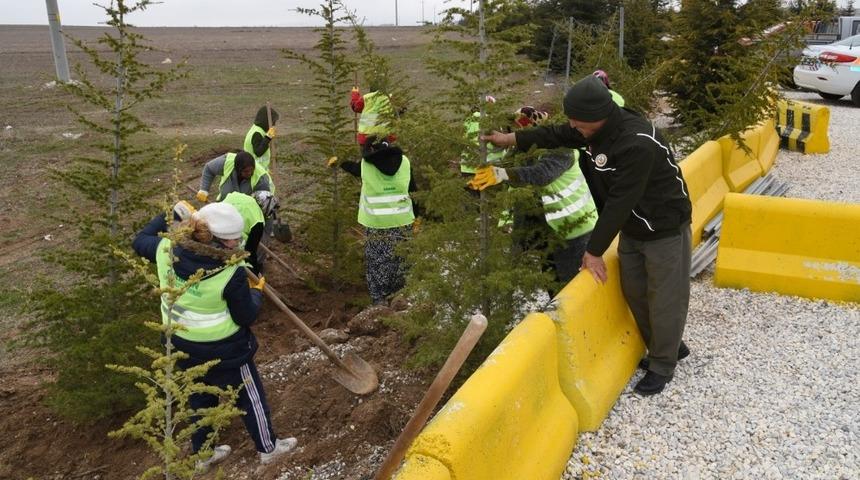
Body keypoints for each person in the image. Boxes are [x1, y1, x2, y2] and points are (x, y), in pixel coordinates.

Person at [482, 75, 692, 396]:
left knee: (664, 297)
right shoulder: (591, 130)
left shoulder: (637, 143)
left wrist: (593, 251)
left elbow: (621, 202)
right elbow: (554, 134)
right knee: (635, 292)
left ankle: (663, 364)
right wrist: (509, 139)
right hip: (634, 228)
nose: (572, 126)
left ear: (598, 116)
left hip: (663, 227)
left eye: (577, 121)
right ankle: (669, 344)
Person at [132, 202, 297, 471]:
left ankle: (204, 455)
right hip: (226, 350)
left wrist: (172, 213)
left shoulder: (166, 249)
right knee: (249, 396)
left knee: (199, 397)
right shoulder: (230, 272)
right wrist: (256, 291)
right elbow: (245, 316)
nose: (238, 243)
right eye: (234, 239)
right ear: (219, 240)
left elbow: (139, 240)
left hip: (181, 346)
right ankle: (269, 449)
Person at [469, 106, 596, 284]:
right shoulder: (524, 151)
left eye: (524, 129)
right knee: (552, 281)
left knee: (572, 283)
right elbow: (513, 171)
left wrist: (502, 174)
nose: (519, 133)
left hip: (576, 229)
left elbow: (541, 174)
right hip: (548, 232)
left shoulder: (562, 149)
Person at [329, 138, 416, 305]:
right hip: (403, 221)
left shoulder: (366, 165)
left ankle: (379, 301)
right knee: (401, 259)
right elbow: (413, 190)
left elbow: (353, 168)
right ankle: (400, 298)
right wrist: (416, 217)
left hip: (376, 224)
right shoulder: (405, 162)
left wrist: (340, 162)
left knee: (377, 262)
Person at [221, 191, 278, 275]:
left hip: (214, 226)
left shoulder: (235, 195)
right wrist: (255, 272)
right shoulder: (258, 220)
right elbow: (249, 253)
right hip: (230, 240)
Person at [197, 151, 273, 203]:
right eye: (246, 171)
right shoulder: (227, 163)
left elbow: (265, 205)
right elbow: (209, 169)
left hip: (245, 211)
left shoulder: (261, 179)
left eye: (251, 170)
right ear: (238, 169)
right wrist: (204, 190)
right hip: (224, 205)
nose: (249, 173)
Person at [460, 95, 507, 176]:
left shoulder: (468, 121)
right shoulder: (493, 121)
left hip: (468, 166)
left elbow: (462, 140)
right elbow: (500, 142)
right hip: (491, 166)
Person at [351, 83, 397, 147]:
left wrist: (355, 94)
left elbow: (355, 107)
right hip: (386, 137)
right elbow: (400, 111)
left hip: (365, 136)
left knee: (367, 153)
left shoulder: (366, 98)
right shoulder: (390, 98)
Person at [244, 106, 279, 171]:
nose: (274, 125)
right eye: (273, 122)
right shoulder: (256, 133)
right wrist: (268, 137)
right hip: (256, 171)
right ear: (266, 121)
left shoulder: (259, 130)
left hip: (260, 170)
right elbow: (258, 152)